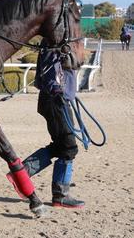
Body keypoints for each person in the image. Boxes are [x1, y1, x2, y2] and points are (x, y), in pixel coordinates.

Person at [7, 40, 85, 208]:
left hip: (59, 99)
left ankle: (21, 174)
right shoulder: (54, 43)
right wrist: (57, 91)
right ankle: (60, 196)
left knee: (60, 146)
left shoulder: (62, 41)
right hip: (56, 100)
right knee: (69, 148)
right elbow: (51, 74)